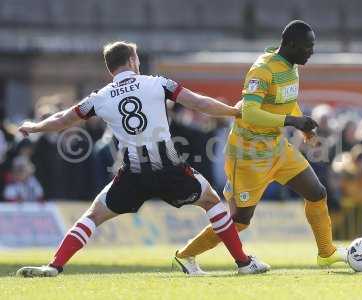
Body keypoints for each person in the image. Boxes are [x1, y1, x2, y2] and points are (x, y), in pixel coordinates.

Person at [16, 41, 268, 277]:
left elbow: (63, 119)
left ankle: (54, 265)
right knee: (212, 201)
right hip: (169, 168)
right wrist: (235, 111)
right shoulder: (158, 83)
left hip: (133, 174)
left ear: (110, 67)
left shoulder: (99, 97)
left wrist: (35, 127)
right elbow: (198, 103)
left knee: (93, 216)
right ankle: (243, 263)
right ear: (133, 60)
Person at [174, 20, 347, 275]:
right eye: (307, 46)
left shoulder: (291, 67)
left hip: (277, 148)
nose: (311, 51)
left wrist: (302, 126)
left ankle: (326, 253)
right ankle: (186, 254)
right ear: (290, 44)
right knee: (241, 221)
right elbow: (250, 113)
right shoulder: (262, 70)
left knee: (317, 193)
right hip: (248, 156)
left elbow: (287, 101)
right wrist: (292, 120)